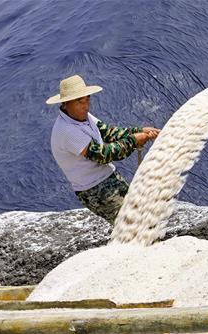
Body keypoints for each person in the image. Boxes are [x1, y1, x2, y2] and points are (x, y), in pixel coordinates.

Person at [47, 74, 160, 223]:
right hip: (95, 189)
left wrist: (139, 131)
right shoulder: (67, 130)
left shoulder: (83, 116)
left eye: (87, 99)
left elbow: (108, 132)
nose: (86, 106)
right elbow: (103, 155)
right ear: (66, 103)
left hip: (109, 177)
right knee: (132, 223)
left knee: (139, 215)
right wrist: (134, 140)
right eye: (79, 101)